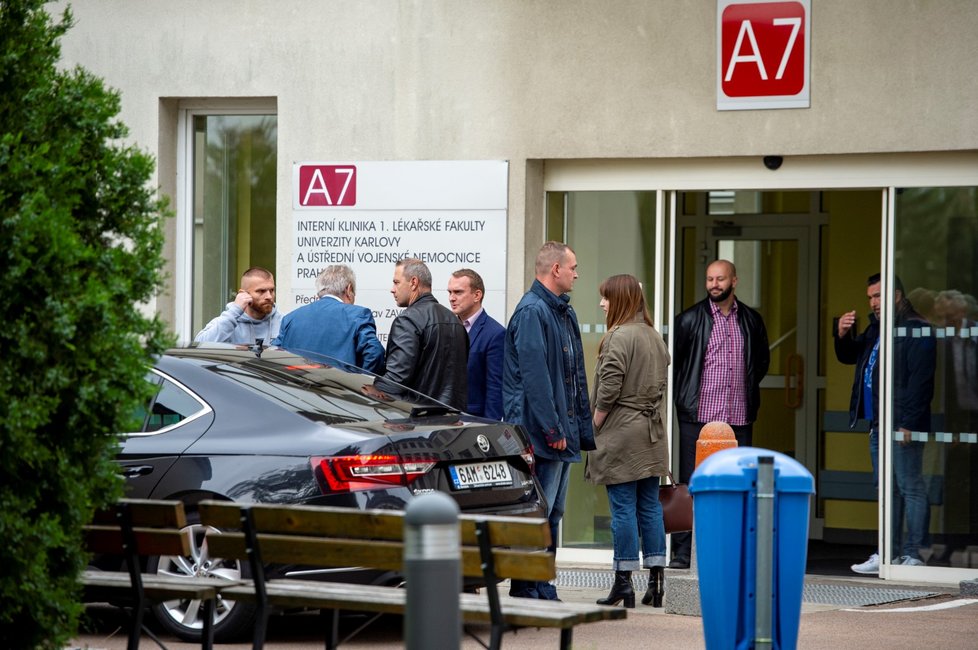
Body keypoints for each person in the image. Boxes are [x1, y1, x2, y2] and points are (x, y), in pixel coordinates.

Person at [503, 241, 595, 600]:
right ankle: (528, 585)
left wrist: (574, 429)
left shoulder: (561, 312)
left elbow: (573, 377)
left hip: (559, 432)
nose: (577, 273)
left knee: (552, 511)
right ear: (555, 269)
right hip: (542, 433)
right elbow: (535, 378)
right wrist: (553, 428)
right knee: (537, 511)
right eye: (573, 266)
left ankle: (540, 582)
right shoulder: (532, 312)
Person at [670, 259, 770, 569]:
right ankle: (683, 553)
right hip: (697, 416)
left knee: (738, 483)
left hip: (738, 417)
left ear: (734, 281)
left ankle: (733, 550)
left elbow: (761, 363)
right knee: (691, 483)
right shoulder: (688, 320)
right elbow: (677, 366)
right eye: (710, 279)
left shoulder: (751, 320)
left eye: (720, 279)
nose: (714, 284)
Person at [835, 273, 935, 574]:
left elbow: (922, 381)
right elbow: (851, 357)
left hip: (901, 422)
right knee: (886, 490)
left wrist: (909, 423)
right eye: (870, 297)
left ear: (896, 295)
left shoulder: (916, 328)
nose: (873, 303)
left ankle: (914, 553)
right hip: (879, 422)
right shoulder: (878, 328)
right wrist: (841, 334)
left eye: (878, 296)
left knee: (909, 487)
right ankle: (887, 553)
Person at [587, 275, 671, 609]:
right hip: (651, 433)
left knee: (622, 509)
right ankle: (656, 582)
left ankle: (623, 583)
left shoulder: (618, 337)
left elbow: (609, 387)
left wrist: (594, 422)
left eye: (606, 298)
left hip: (621, 432)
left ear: (620, 300)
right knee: (650, 506)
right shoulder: (654, 336)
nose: (602, 304)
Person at [366, 258, 468, 409]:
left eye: (396, 282)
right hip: (451, 422)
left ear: (413, 282)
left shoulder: (408, 320)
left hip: (417, 421)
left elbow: (396, 379)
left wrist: (368, 390)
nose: (392, 289)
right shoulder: (455, 321)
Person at [271, 264, 385, 373]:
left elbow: (274, 356)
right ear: (349, 289)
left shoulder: (290, 318)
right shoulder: (358, 315)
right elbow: (375, 354)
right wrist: (362, 384)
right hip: (340, 391)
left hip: (296, 391)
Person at [447, 269, 505, 419]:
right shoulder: (446, 328)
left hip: (474, 422)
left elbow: (495, 389)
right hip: (444, 421)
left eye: (458, 292)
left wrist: (489, 429)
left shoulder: (495, 334)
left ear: (477, 295)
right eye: (450, 292)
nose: (452, 298)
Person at [194, 266, 282, 344]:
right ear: (243, 294)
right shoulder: (229, 319)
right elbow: (199, 346)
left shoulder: (283, 322)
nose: (269, 296)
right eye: (261, 291)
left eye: (271, 290)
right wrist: (235, 311)